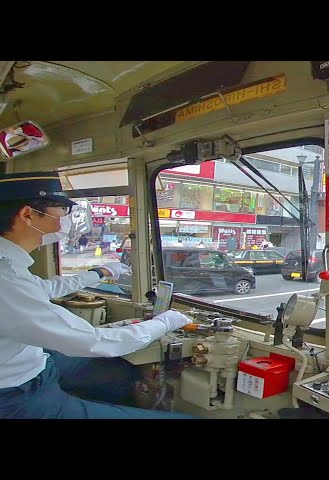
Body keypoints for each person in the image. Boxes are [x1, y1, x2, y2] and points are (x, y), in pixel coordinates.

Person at [0, 172, 197, 419]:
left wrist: (99, 273)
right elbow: (95, 342)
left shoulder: (9, 266)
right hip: (17, 397)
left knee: (120, 374)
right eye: (61, 209)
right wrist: (165, 322)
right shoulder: (6, 279)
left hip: (35, 363)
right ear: (28, 215)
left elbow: (43, 289)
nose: (65, 218)